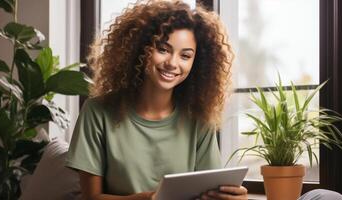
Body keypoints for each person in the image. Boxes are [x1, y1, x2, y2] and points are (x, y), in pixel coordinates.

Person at [65, 1, 342, 200]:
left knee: (323, 197)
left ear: (197, 63)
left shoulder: (197, 119)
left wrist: (232, 196)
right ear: (141, 50)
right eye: (163, 49)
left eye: (185, 55)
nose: (173, 63)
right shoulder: (98, 112)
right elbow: (91, 198)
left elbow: (208, 189)